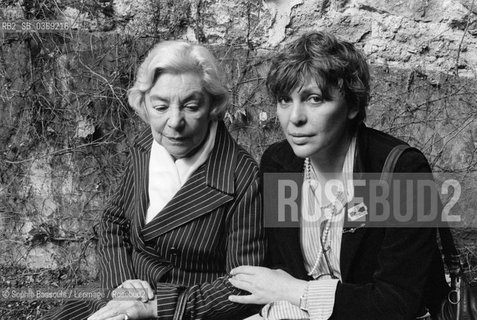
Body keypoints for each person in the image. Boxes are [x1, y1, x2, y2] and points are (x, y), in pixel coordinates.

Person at [228, 31, 449, 320]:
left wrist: (296, 291)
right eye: (285, 100)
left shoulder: (399, 170)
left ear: (353, 106)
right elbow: (282, 267)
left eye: (315, 99)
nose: (294, 117)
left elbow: (395, 303)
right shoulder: (279, 163)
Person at [43, 40, 265, 320]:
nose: (174, 122)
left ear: (212, 106)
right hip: (123, 293)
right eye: (160, 107)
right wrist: (123, 285)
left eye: (191, 106)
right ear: (144, 104)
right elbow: (113, 221)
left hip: (186, 310)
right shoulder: (147, 144)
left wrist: (157, 308)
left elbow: (243, 285)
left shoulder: (241, 175)